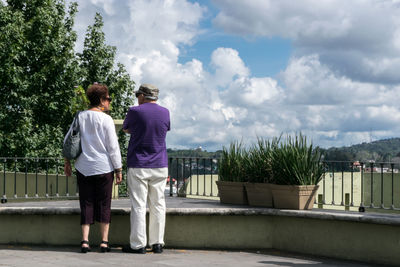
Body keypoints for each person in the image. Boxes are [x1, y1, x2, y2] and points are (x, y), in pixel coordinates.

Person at [64, 83, 123, 253]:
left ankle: (84, 241)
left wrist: (67, 161)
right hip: (104, 168)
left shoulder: (80, 116)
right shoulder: (106, 120)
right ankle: (104, 242)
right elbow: (113, 147)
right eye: (108, 99)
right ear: (101, 100)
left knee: (86, 203)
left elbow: (70, 139)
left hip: (83, 167)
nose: (109, 102)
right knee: (105, 204)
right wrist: (118, 169)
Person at [122, 84, 170, 254]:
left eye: (138, 95)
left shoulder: (135, 111)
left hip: (139, 164)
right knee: (158, 204)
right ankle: (157, 243)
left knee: (139, 205)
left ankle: (138, 244)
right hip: (160, 164)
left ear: (142, 95)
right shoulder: (165, 112)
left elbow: (127, 128)